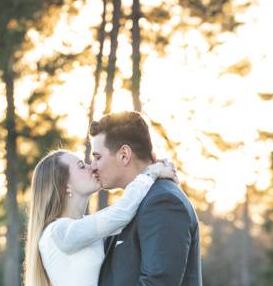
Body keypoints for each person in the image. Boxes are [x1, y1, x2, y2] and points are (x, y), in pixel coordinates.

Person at [23, 149, 177, 286]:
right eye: (82, 166)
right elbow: (121, 213)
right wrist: (150, 172)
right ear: (65, 187)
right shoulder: (57, 232)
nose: (92, 167)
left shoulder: (84, 229)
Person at [91, 111, 202, 285]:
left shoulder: (163, 202)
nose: (93, 166)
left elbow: (157, 283)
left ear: (124, 155)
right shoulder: (134, 203)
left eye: (97, 157)